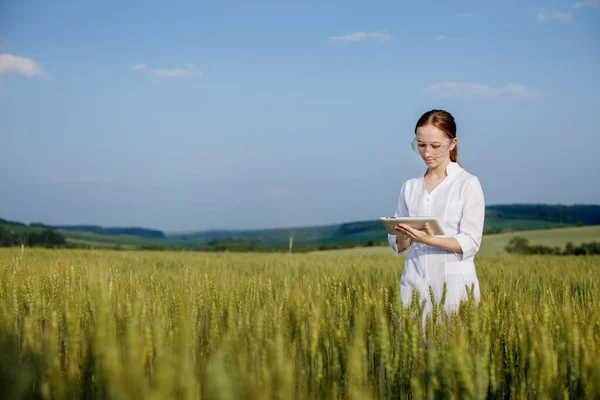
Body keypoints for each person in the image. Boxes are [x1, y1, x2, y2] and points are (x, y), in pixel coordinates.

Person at [388, 109, 485, 316]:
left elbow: (471, 242)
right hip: (413, 286)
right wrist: (404, 234)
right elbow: (399, 246)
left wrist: (430, 239)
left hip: (455, 291)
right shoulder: (409, 187)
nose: (427, 153)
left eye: (435, 146)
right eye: (421, 145)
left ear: (452, 143)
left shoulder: (467, 184)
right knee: (411, 347)